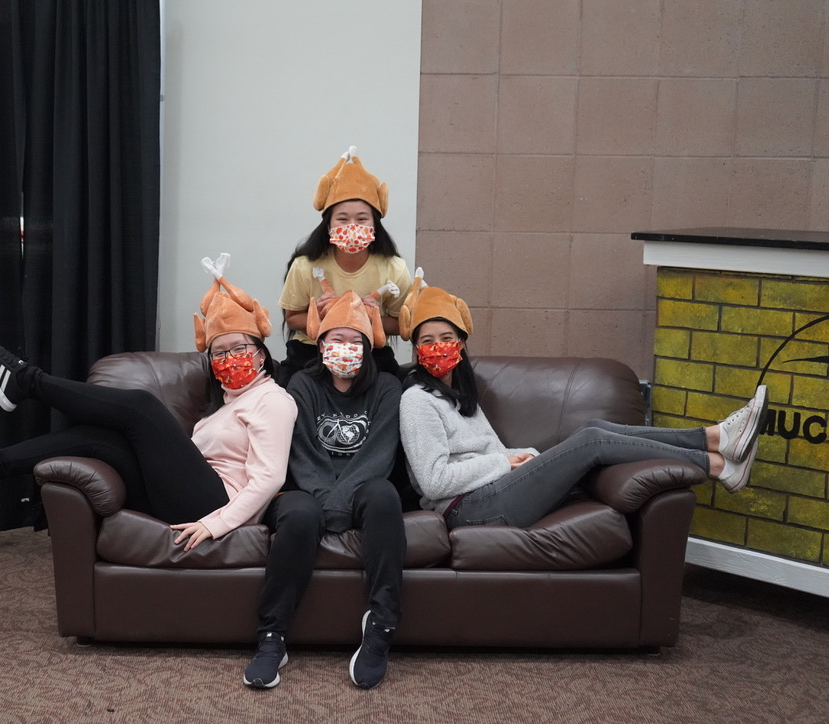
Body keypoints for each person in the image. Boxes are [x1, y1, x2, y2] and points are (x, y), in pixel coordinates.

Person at [0, 257, 297, 552]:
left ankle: (24, 380)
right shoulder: (225, 405)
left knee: (143, 408)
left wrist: (217, 524)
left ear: (262, 355)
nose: (230, 358)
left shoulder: (273, 400)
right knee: (97, 439)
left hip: (216, 507)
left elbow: (269, 477)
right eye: (220, 352)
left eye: (240, 348)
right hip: (185, 497)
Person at [396, 270, 770, 531]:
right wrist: (505, 462)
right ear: (416, 350)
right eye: (427, 341)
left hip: (493, 493)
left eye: (446, 337)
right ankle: (718, 464)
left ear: (461, 343)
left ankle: (714, 438)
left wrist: (521, 457)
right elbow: (433, 482)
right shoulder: (417, 400)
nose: (437, 347)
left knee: (593, 429)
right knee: (590, 441)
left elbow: (492, 451)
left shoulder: (461, 394)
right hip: (466, 509)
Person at [243, 290, 405, 691]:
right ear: (320, 345)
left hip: (364, 487)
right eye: (336, 340)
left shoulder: (387, 387)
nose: (344, 349)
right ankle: (271, 637)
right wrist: (327, 502)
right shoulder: (301, 383)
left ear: (368, 348)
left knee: (385, 497)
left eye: (354, 342)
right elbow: (301, 452)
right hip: (306, 491)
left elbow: (379, 454)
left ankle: (381, 625)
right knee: (300, 515)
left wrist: (339, 501)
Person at [277, 146, 412, 384]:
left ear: (374, 225)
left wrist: (369, 318)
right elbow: (292, 318)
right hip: (311, 350)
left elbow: (402, 324)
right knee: (293, 386)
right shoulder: (305, 265)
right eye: (342, 219)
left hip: (369, 349)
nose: (352, 226)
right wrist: (319, 315)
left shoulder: (394, 267)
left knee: (390, 386)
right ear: (328, 225)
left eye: (362, 219)